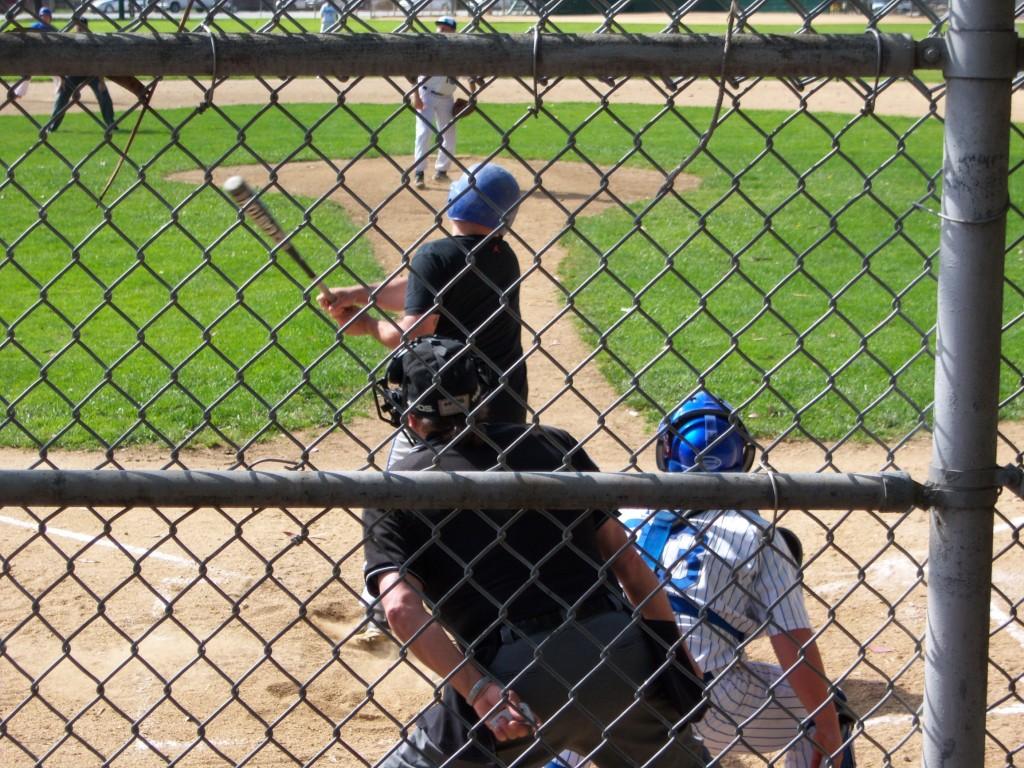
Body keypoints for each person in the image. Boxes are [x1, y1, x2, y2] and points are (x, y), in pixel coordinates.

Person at [361, 335, 709, 768]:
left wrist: (478, 691)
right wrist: (675, 656)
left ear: (410, 415)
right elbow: (628, 564)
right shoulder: (554, 444)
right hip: (619, 655)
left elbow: (399, 608)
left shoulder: (396, 487)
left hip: (516, 681)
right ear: (481, 395)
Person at [321, 161, 528, 646]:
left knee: (401, 490)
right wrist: (365, 292)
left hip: (444, 407)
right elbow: (424, 287)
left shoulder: (434, 255)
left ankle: (387, 596)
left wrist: (370, 325)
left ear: (452, 200)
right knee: (489, 491)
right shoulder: (504, 256)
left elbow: (415, 332)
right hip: (503, 399)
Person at [628, 391, 857, 768]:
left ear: (666, 451)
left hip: (617, 686)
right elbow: (792, 643)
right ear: (742, 457)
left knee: (581, 699)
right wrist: (827, 721)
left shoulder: (624, 511)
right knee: (825, 709)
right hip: (711, 697)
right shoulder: (755, 531)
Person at [409, 16, 475, 189]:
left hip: (447, 99)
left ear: (454, 32)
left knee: (449, 135)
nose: (441, 30)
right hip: (426, 96)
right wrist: (415, 96)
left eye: (445, 28)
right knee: (424, 133)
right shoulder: (429, 50)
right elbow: (414, 73)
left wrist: (473, 96)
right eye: (439, 27)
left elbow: (470, 74)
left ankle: (441, 171)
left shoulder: (459, 53)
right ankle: (419, 173)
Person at [45, 19, 116, 135]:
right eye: (77, 27)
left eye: (82, 27)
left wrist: (101, 81)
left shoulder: (93, 41)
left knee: (103, 95)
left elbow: (99, 62)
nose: (79, 29)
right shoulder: (69, 40)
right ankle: (52, 126)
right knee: (62, 96)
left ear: (86, 27)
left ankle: (111, 123)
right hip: (73, 73)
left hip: (91, 73)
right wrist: (62, 80)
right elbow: (62, 62)